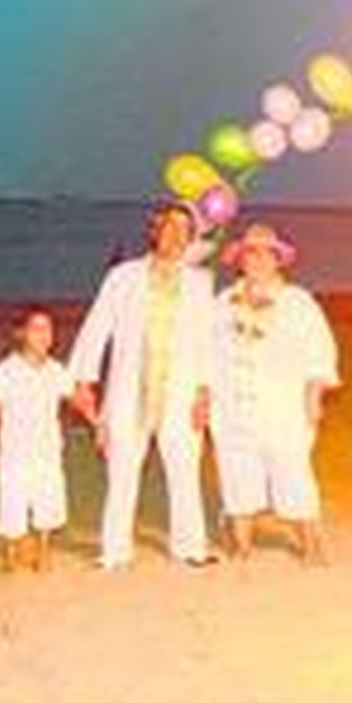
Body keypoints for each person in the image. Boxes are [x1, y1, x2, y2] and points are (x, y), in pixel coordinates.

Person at [68, 202, 217, 570]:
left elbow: (208, 342)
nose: (176, 235)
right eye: (170, 227)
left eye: (185, 230)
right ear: (155, 231)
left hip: (179, 391)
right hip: (129, 391)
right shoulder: (123, 276)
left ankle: (190, 548)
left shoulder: (200, 284)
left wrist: (205, 392)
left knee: (184, 471)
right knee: (122, 472)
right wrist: (84, 379)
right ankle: (115, 551)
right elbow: (97, 326)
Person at [211, 223, 339, 563]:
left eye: (266, 253)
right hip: (231, 404)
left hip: (283, 406)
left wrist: (313, 396)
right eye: (250, 252)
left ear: (277, 260)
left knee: (293, 473)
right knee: (236, 475)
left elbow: (321, 351)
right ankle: (241, 547)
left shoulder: (298, 302)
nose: (257, 259)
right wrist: (204, 394)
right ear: (240, 260)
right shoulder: (224, 301)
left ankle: (311, 546)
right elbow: (205, 351)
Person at [0, 305, 75, 572]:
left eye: (48, 329)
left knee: (48, 500)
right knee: (13, 502)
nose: (44, 335)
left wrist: (99, 423)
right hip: (14, 452)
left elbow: (75, 399)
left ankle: (43, 550)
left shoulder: (57, 370)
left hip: (47, 450)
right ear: (21, 334)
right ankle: (11, 552)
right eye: (36, 329)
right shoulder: (6, 370)